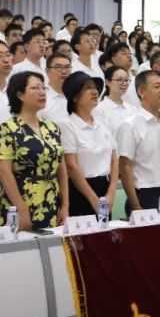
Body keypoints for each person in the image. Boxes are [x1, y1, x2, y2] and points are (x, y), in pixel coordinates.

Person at [0, 71, 67, 229]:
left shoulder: (52, 128)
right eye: (35, 88)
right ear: (20, 94)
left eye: (43, 88)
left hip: (52, 200)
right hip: (20, 203)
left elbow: (61, 168)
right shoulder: (6, 130)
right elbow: (4, 172)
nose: (42, 92)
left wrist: (65, 205)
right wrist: (21, 208)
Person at [117, 71, 160, 215]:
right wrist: (135, 205)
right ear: (141, 92)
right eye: (157, 86)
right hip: (146, 195)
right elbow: (124, 166)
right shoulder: (130, 125)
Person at [60, 71, 118, 217]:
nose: (94, 91)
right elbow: (71, 165)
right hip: (80, 191)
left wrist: (111, 192)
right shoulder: (67, 125)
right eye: (87, 88)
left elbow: (114, 159)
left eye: (95, 87)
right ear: (75, 97)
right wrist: (93, 199)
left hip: (104, 189)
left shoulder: (102, 122)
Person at [94, 65, 139, 136]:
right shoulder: (99, 109)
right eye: (119, 80)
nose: (124, 83)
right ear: (108, 82)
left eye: (126, 80)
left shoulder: (132, 108)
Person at [42, 52, 71, 124]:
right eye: (58, 67)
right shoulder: (41, 97)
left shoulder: (77, 95)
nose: (64, 71)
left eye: (67, 67)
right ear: (47, 71)